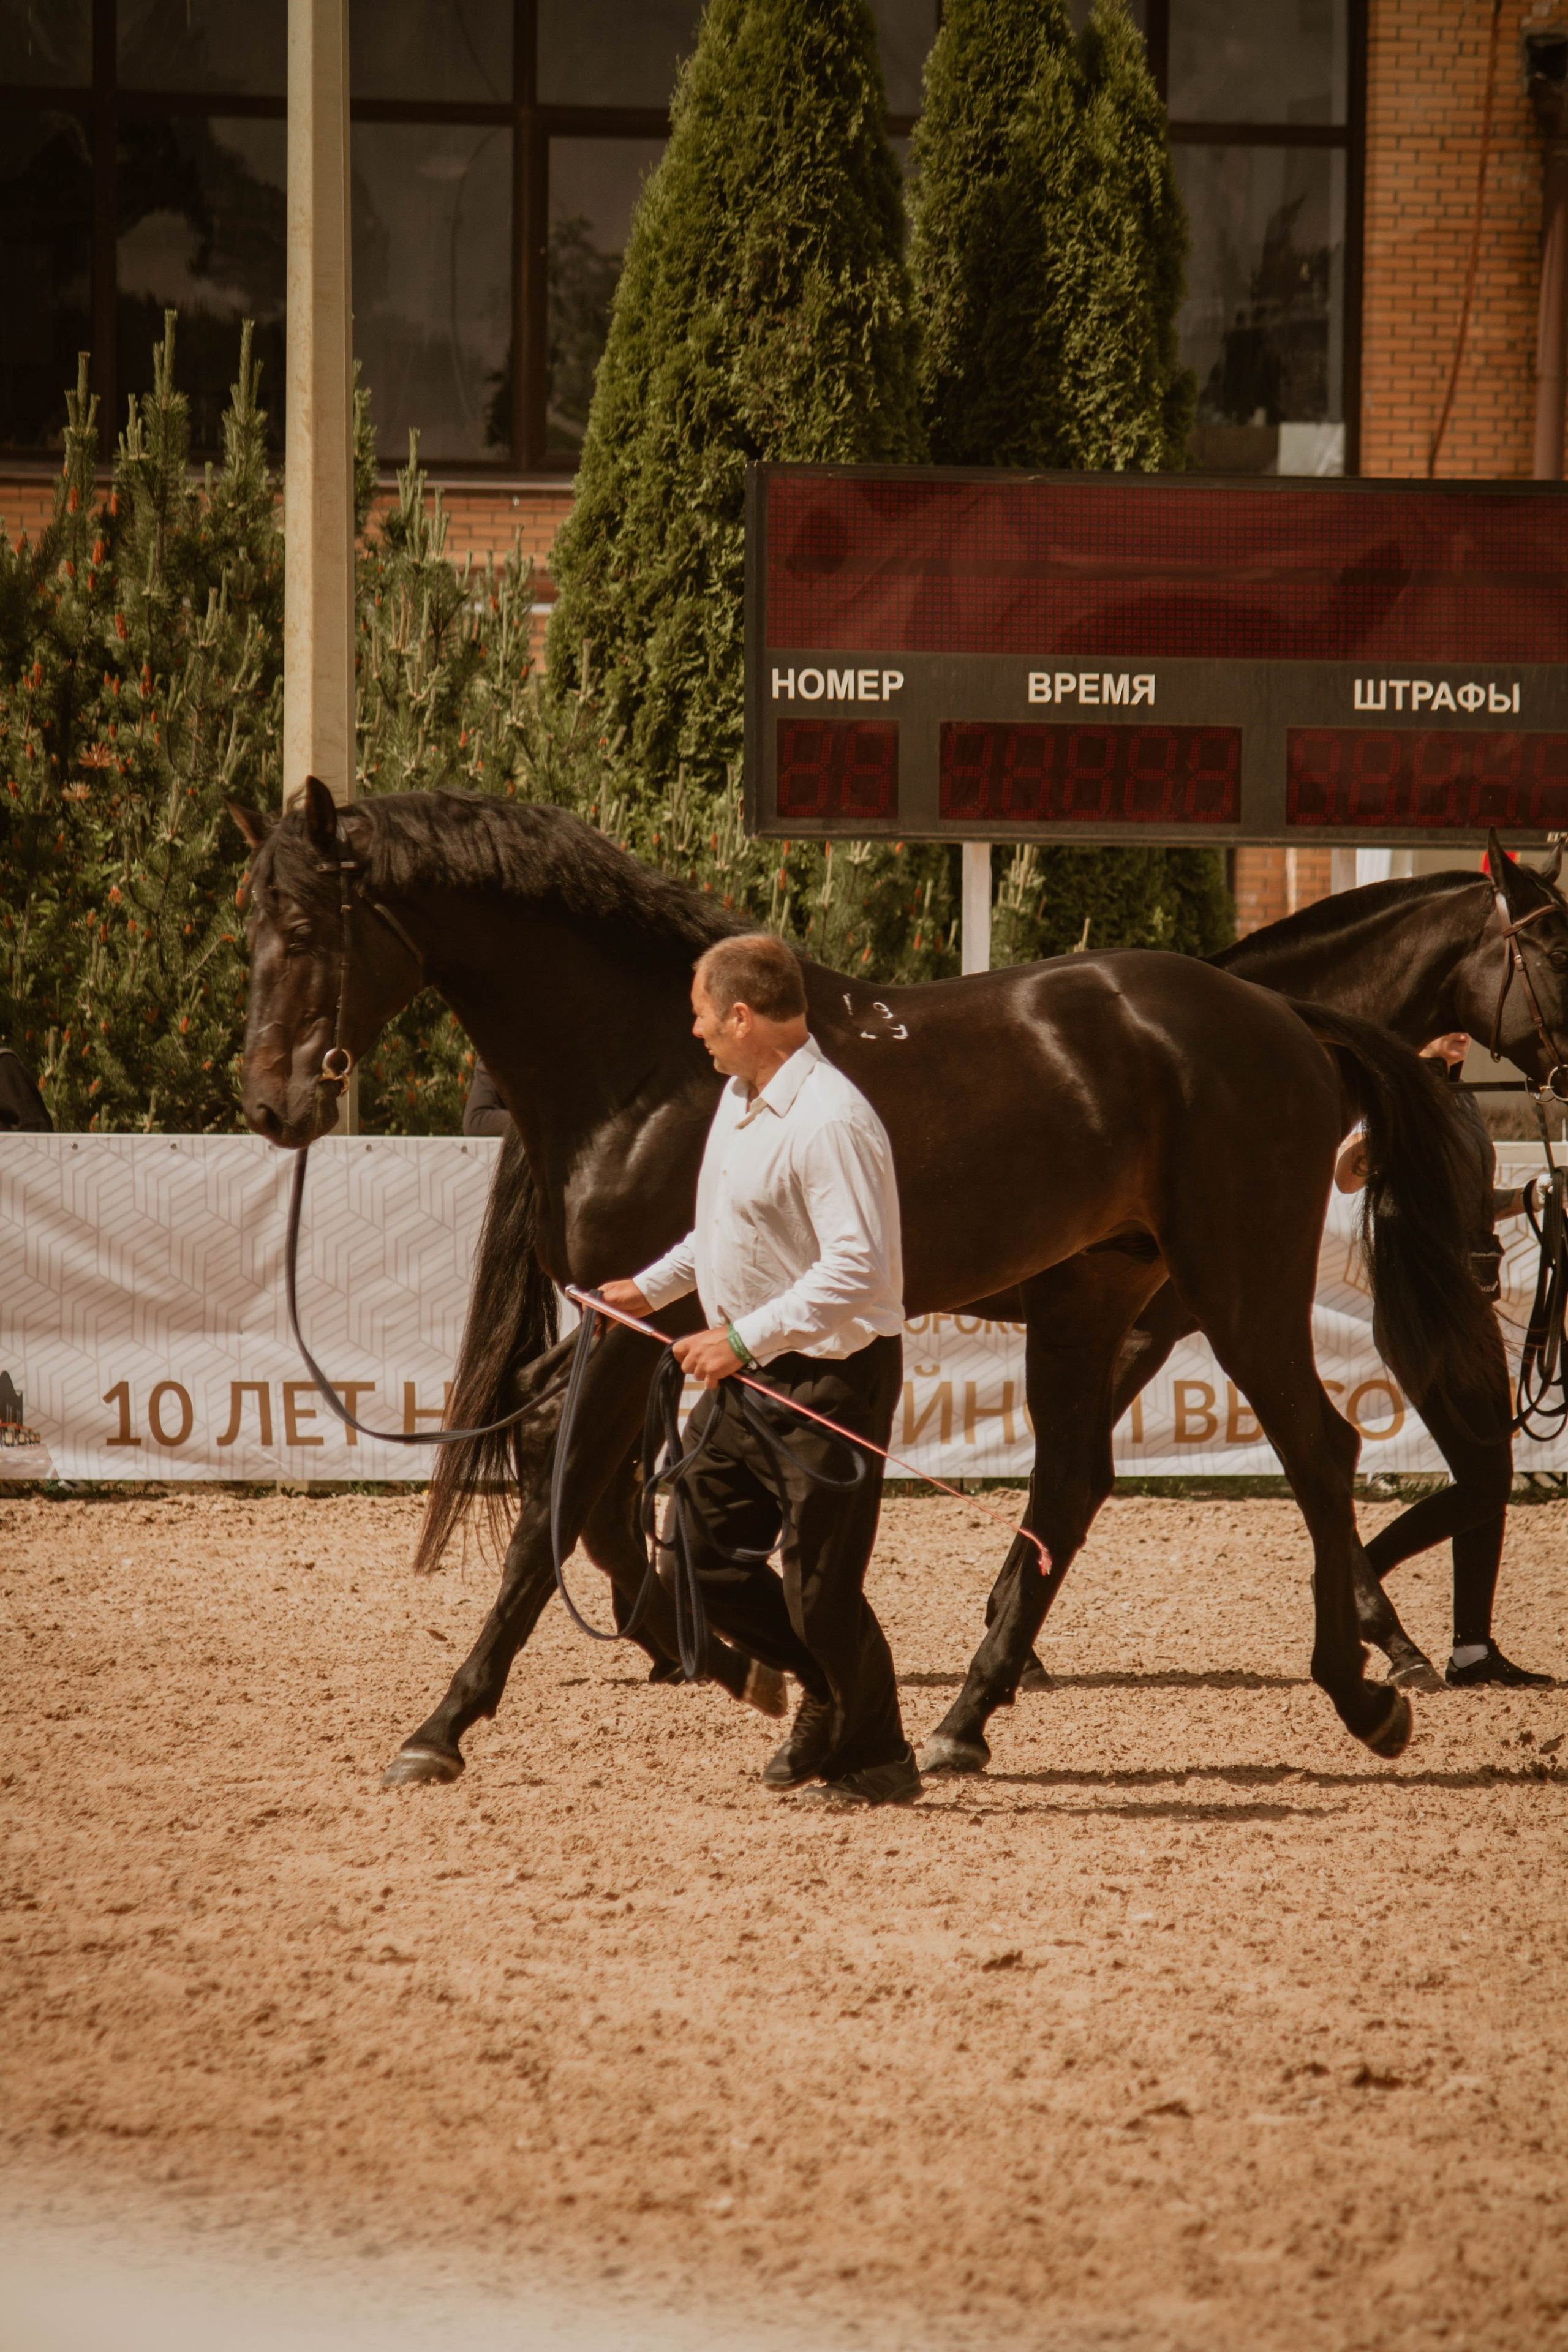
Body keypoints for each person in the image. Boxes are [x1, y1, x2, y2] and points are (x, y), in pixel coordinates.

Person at [598, 932, 919, 1807]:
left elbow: (859, 1268)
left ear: (743, 1016)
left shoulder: (830, 1119)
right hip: (756, 1379)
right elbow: (727, 1230)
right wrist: (650, 1290)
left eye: (703, 1015)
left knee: (821, 1593)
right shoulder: (743, 1098)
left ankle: (879, 1759)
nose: (696, 1031)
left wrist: (738, 1341)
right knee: (695, 1566)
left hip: (830, 1382)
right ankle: (825, 1687)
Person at [1335, 1031, 1549, 1687]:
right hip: (1421, 1308)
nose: (1462, 1036)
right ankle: (1354, 1576)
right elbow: (1348, 1171)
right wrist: (1398, 1096)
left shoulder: (1458, 1105)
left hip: (1467, 1304)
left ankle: (1472, 1650)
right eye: (1446, 1026)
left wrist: (1531, 1199)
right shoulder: (1394, 1093)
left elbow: (1465, 1205)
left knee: (1492, 1477)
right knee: (1483, 1482)